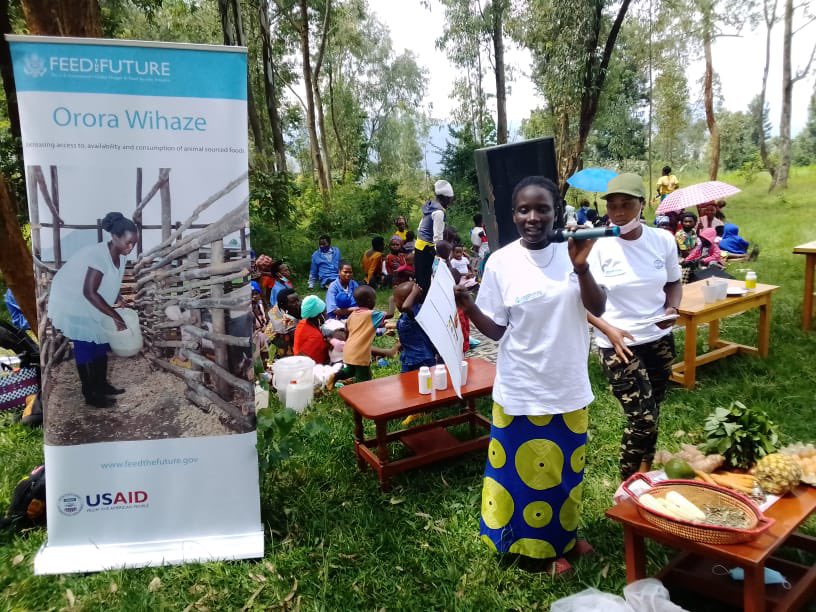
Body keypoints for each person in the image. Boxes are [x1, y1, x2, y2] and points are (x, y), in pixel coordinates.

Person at [455, 176, 605, 571]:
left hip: (568, 383)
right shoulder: (501, 261)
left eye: (542, 209)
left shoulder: (576, 250)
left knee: (565, 472)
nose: (533, 217)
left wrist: (582, 267)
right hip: (521, 384)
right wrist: (469, 308)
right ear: (513, 215)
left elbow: (599, 308)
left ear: (557, 212)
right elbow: (498, 329)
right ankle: (528, 551)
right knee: (519, 474)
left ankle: (564, 539)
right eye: (524, 209)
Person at [585, 173, 682, 481]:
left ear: (642, 204)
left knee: (655, 410)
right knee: (642, 418)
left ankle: (645, 473)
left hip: (658, 338)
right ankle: (627, 486)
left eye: (627, 205)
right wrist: (609, 330)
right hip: (617, 343)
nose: (619, 213)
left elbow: (674, 282)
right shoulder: (598, 246)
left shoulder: (662, 240)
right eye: (612, 206)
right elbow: (583, 302)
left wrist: (672, 308)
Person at [48, 212, 138, 408]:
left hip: (88, 298)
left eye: (134, 243)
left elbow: (108, 282)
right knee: (86, 344)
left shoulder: (121, 257)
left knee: (101, 341)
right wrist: (116, 317)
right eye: (128, 242)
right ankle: (90, 395)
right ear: (115, 237)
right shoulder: (98, 255)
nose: (131, 247)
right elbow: (89, 292)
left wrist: (118, 297)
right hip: (73, 300)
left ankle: (102, 385)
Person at [330, 286, 397, 385]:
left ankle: (335, 376)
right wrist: (392, 300)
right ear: (370, 300)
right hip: (360, 353)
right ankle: (362, 396)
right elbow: (390, 314)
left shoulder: (352, 315)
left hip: (348, 350)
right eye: (374, 299)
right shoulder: (371, 314)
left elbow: (347, 332)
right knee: (365, 379)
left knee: (351, 370)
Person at [414, 180, 454, 294]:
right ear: (445, 198)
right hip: (427, 248)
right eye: (450, 199)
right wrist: (444, 258)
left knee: (421, 277)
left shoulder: (430, 206)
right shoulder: (439, 212)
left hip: (419, 245)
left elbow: (420, 227)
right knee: (426, 280)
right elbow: (437, 238)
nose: (450, 202)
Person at [393, 281, 438, 373]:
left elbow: (406, 306)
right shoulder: (406, 314)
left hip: (422, 359)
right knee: (407, 383)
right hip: (409, 358)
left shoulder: (416, 312)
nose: (394, 303)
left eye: (395, 300)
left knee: (425, 383)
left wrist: (414, 291)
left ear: (403, 300)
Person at [293, 295, 329, 364]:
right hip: (312, 367)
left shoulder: (302, 323)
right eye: (324, 312)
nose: (326, 314)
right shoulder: (315, 336)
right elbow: (304, 358)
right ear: (319, 316)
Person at [266, 288, 300, 359]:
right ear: (283, 305)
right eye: (293, 302)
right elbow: (297, 337)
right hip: (275, 343)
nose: (298, 303)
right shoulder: (284, 320)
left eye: (297, 300)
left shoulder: (282, 306)